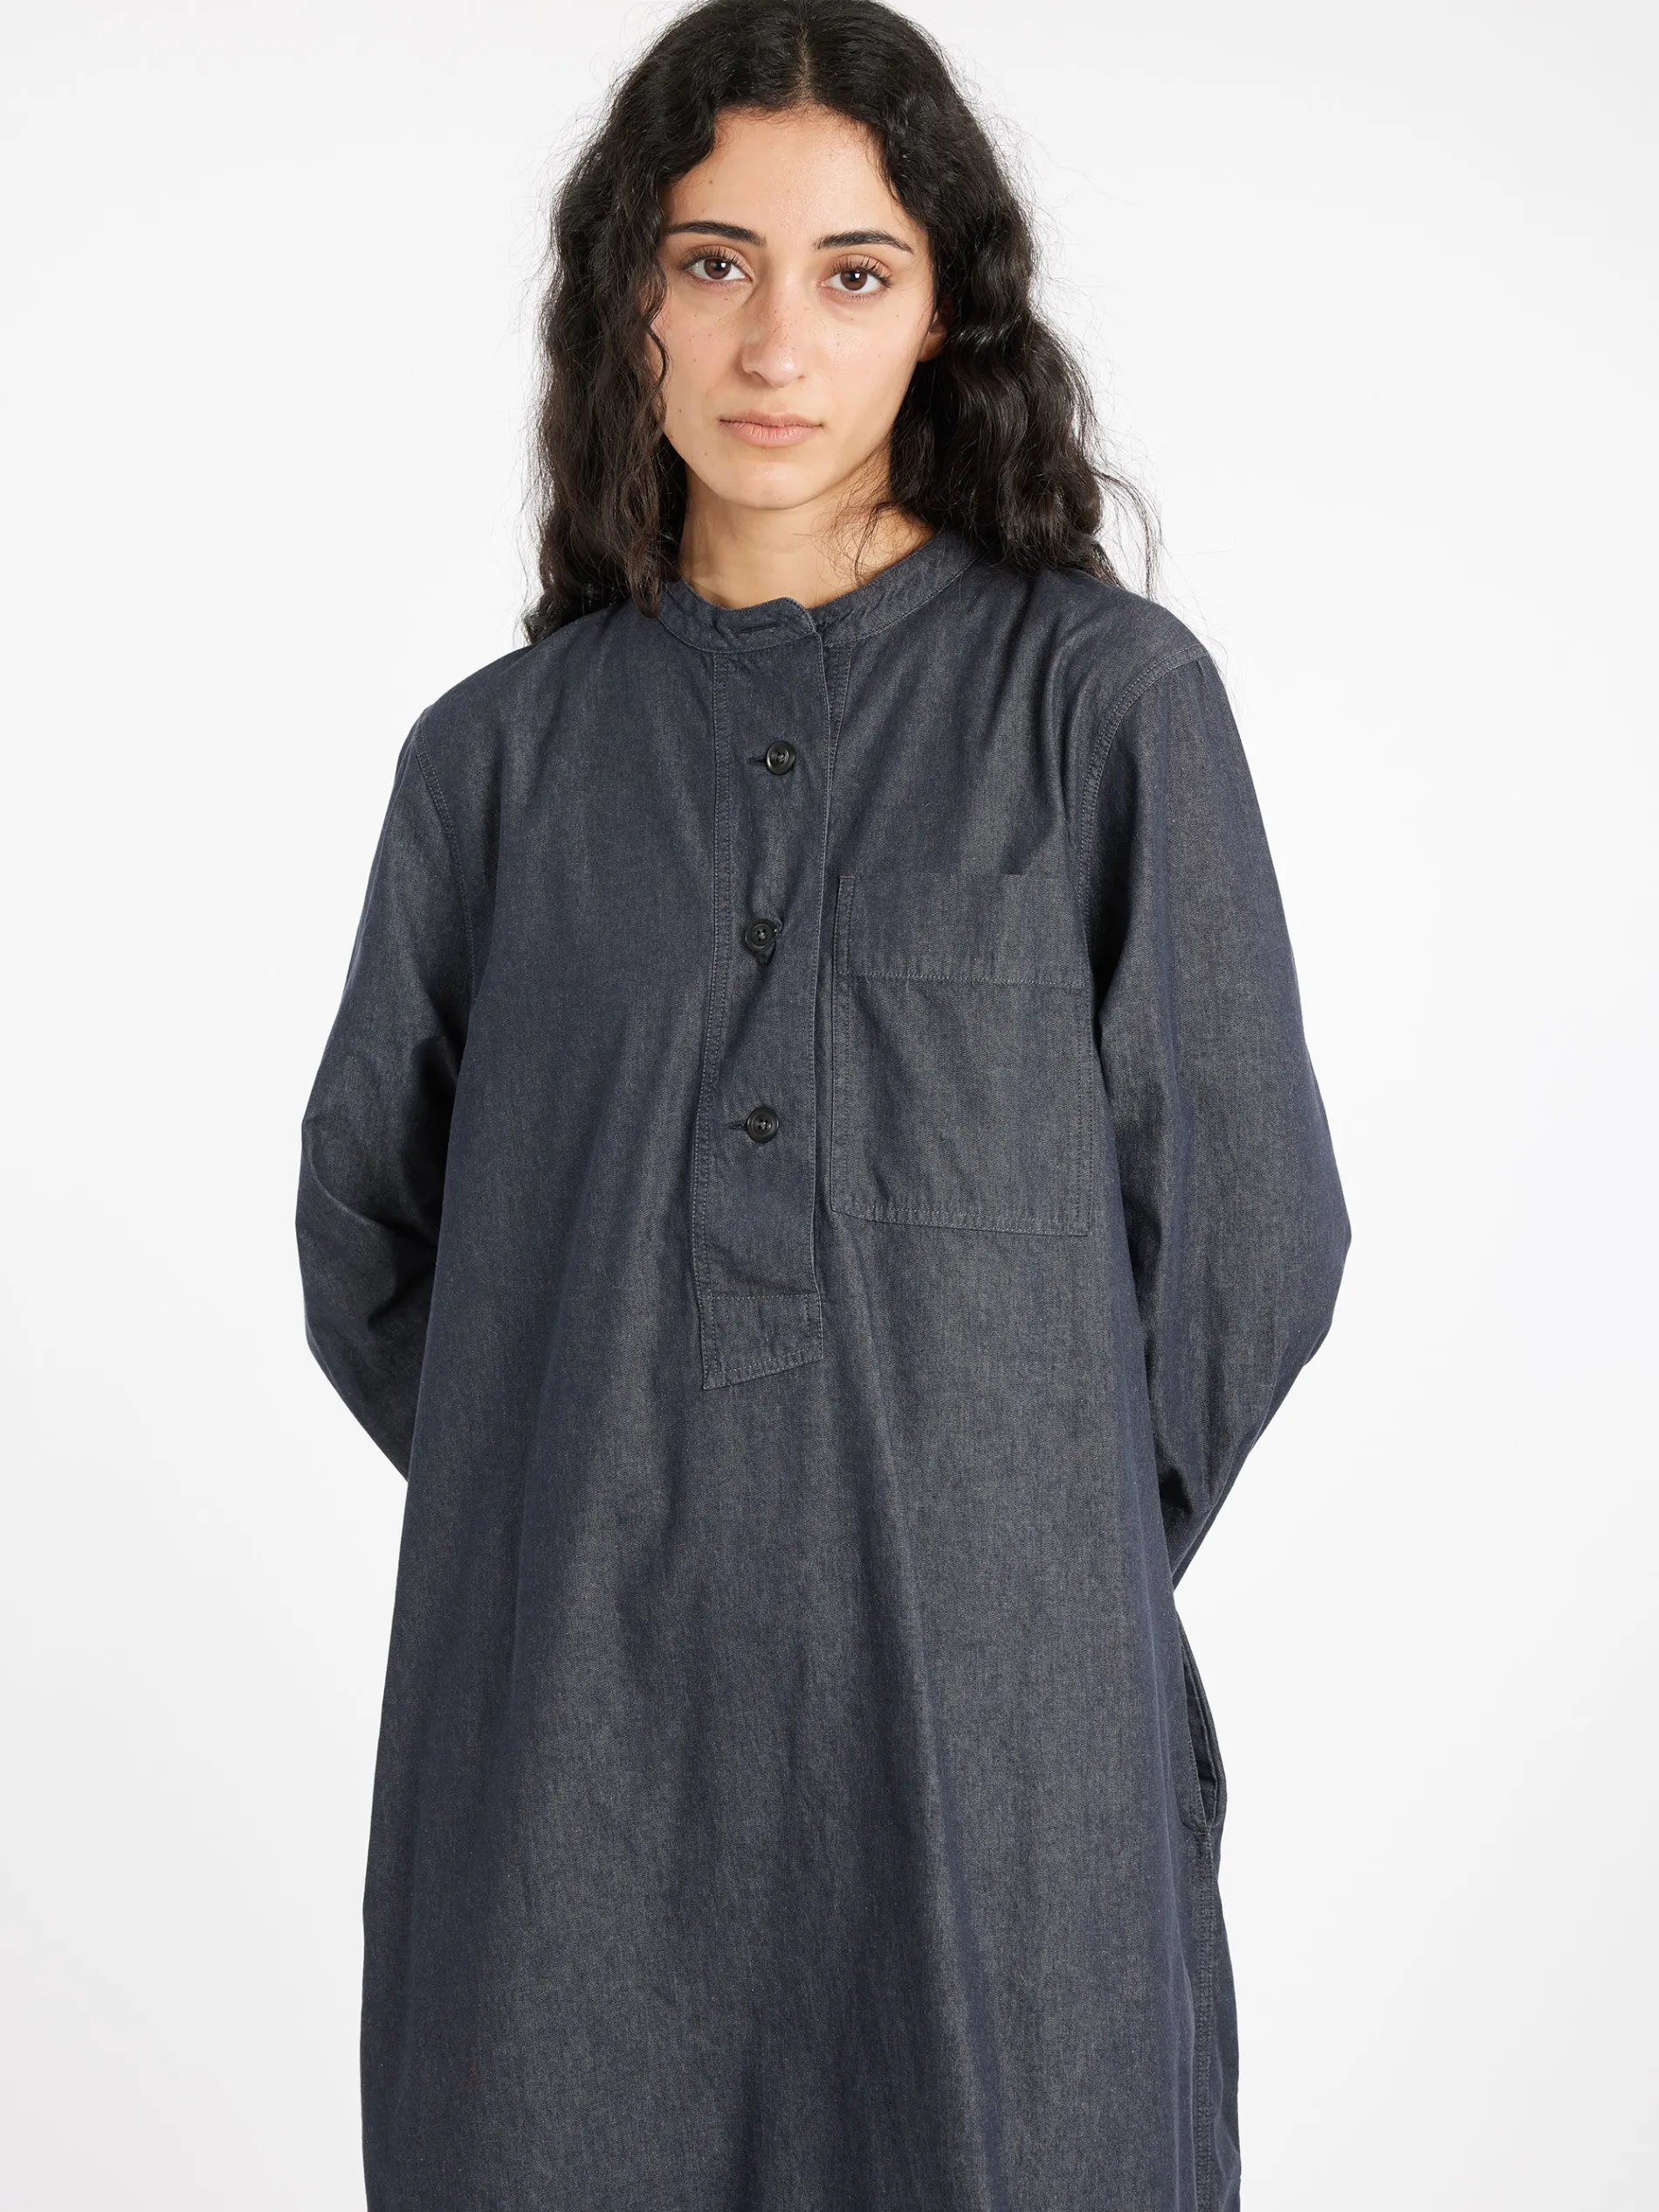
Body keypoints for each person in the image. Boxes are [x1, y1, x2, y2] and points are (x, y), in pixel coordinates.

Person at [295, 2, 1351, 2205]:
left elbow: (1247, 1237)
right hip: (564, 1761)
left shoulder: (1100, 711)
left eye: (850, 272)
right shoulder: (494, 767)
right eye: (713, 263)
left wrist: (1007, 1541)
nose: (776, 341)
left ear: (939, 312)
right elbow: (378, 1238)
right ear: (631, 300)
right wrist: (605, 1489)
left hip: (992, 1757)